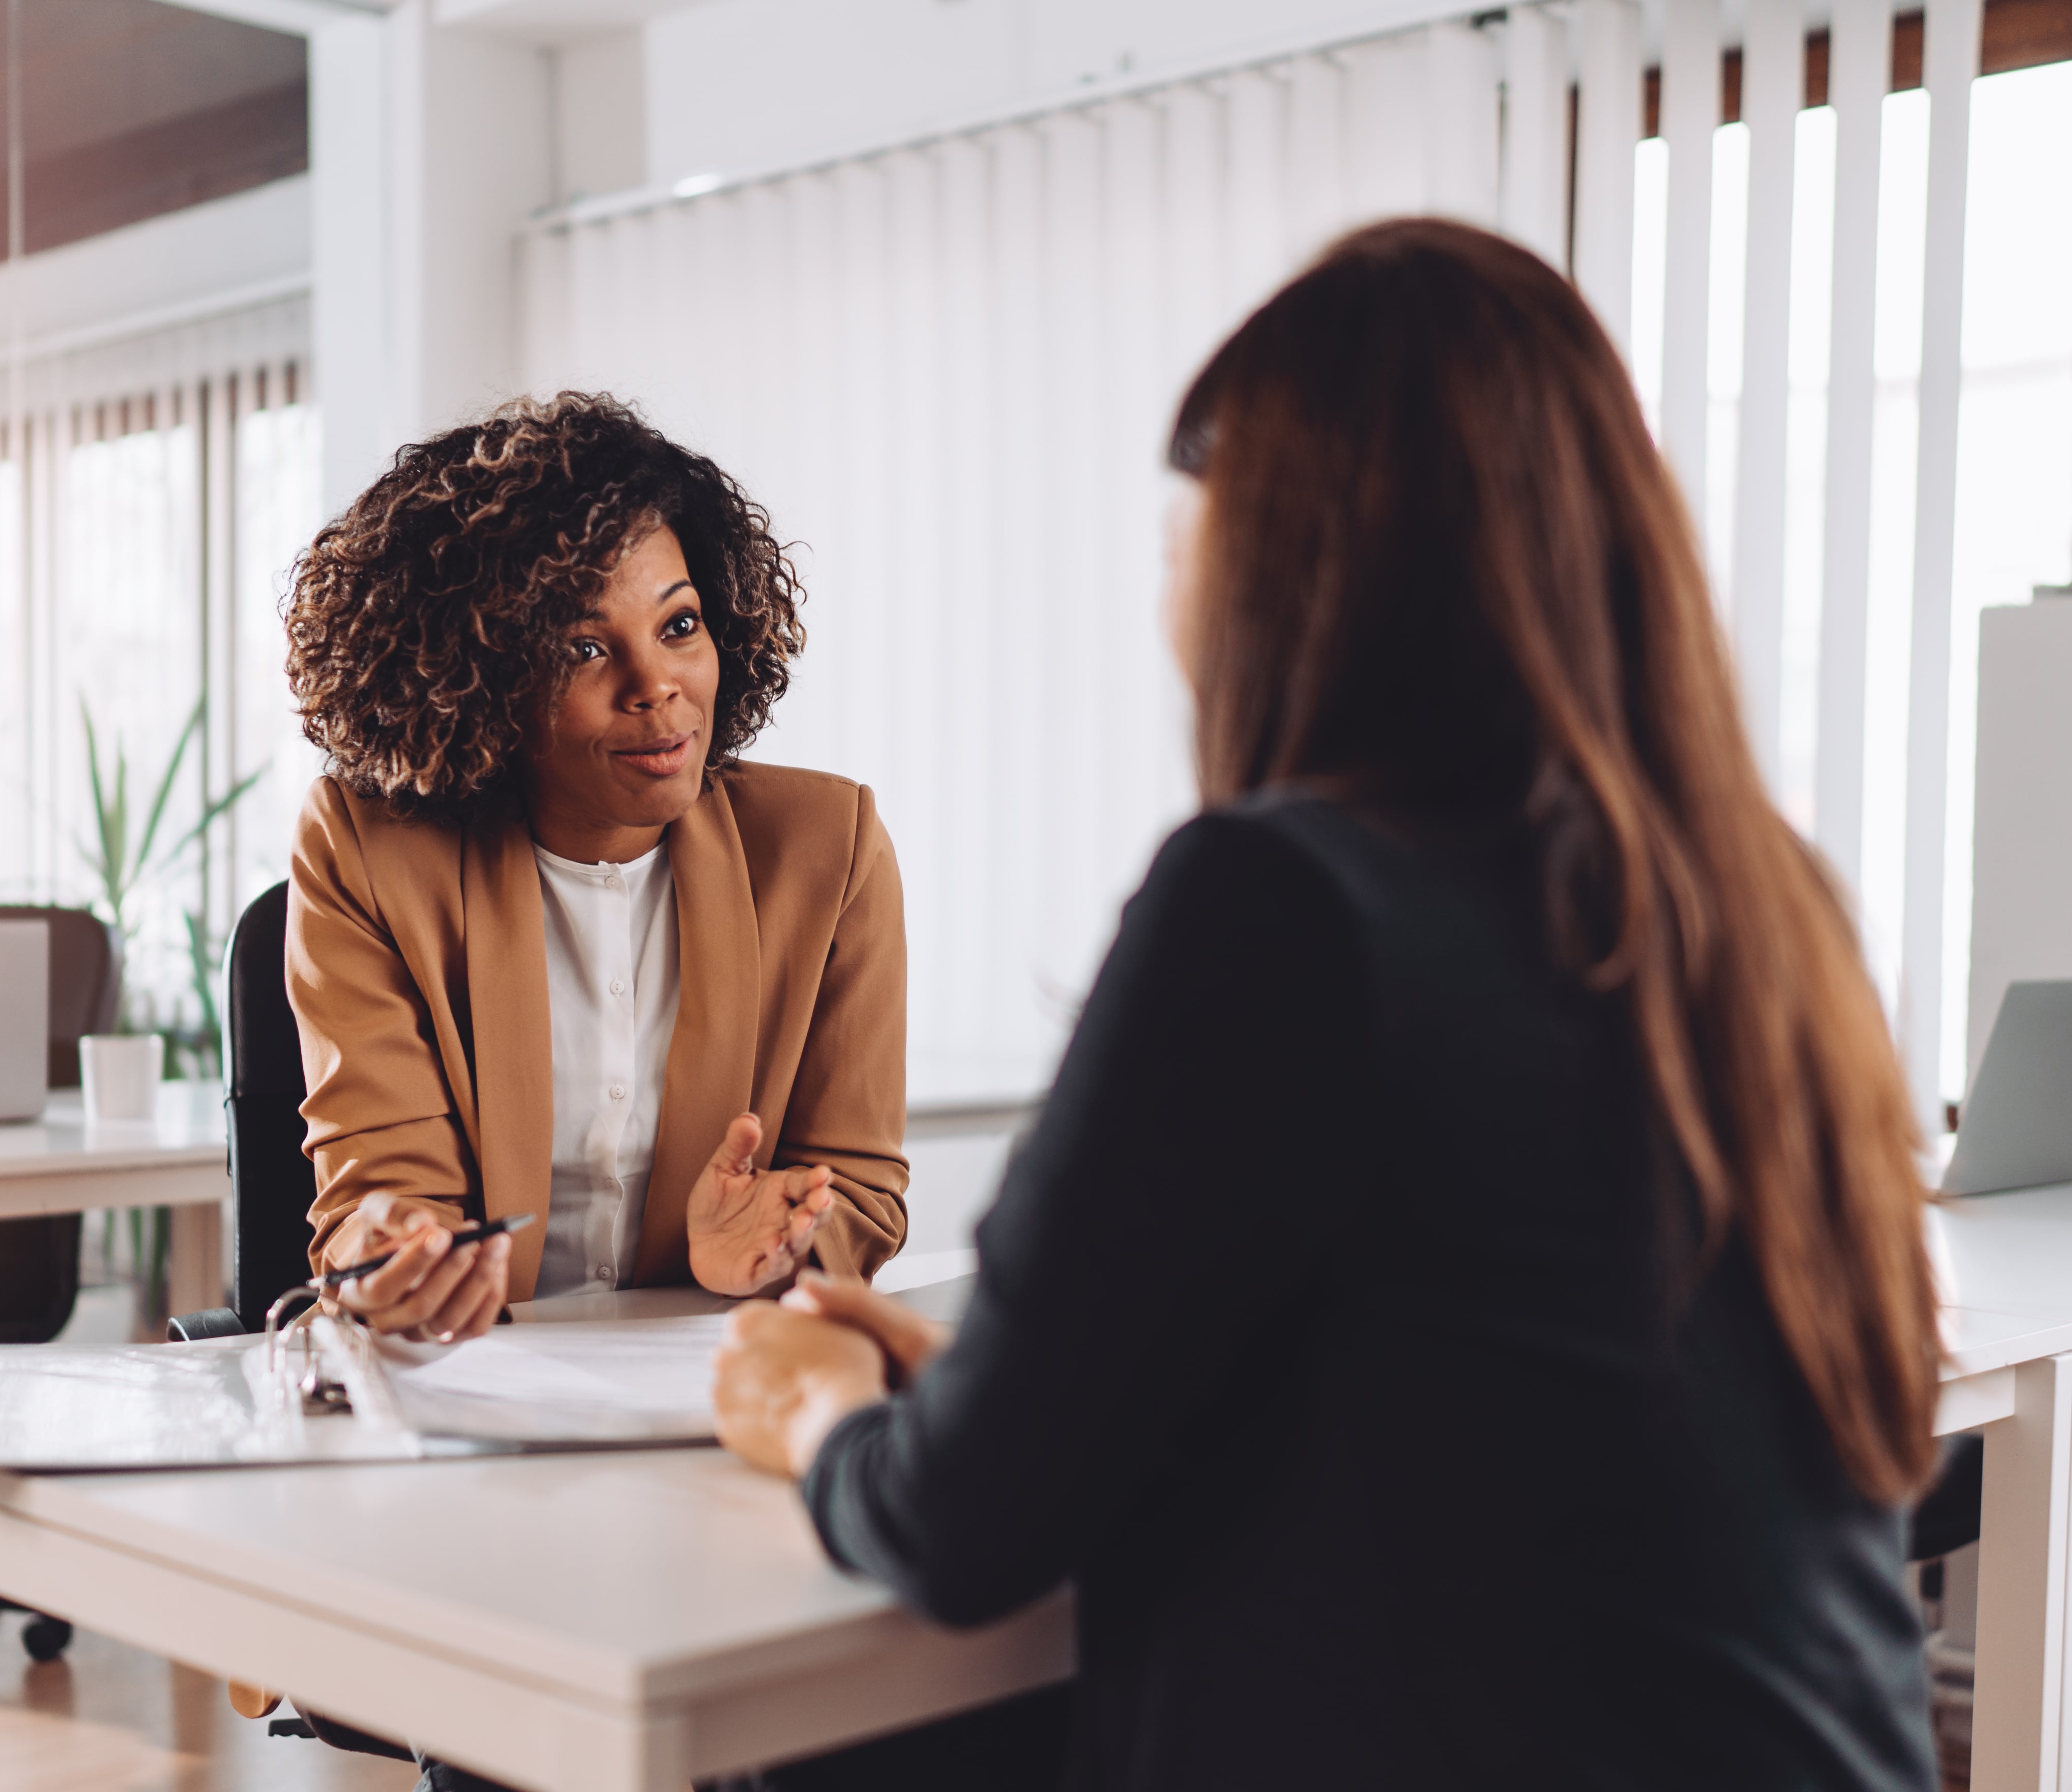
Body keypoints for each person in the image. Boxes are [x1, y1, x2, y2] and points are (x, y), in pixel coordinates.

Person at [714, 218, 1943, 1791]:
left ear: (1289, 563)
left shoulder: (1278, 902)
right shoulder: (1764, 902)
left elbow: (958, 1527)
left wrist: (820, 1416)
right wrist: (979, 1392)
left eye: (1183, 539)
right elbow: (1444, 1389)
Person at [281, 394, 908, 1346]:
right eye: (582, 647)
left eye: (679, 624)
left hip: (707, 1394)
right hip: (469, 1390)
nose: (654, 683)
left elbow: (857, 1185)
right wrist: (396, 1253)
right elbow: (377, 1186)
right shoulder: (367, 850)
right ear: (477, 678)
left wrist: (782, 1245)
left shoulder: (827, 849)